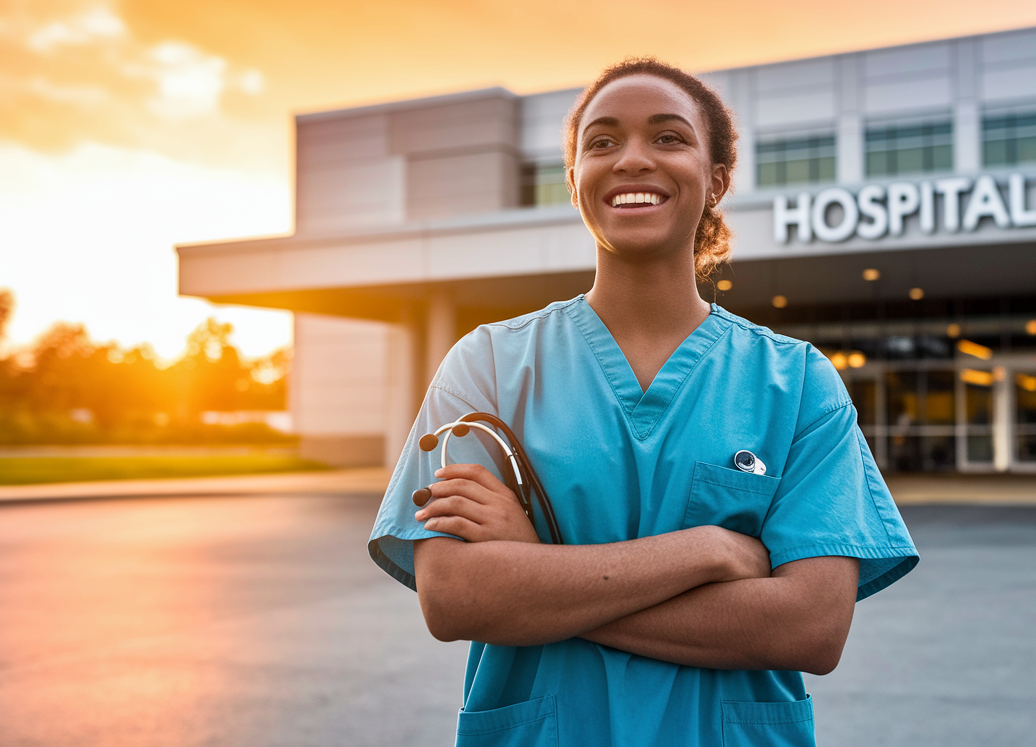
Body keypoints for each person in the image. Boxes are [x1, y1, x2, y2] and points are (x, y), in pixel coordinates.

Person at [368, 57, 919, 746]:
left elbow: (811, 627)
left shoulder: (798, 381)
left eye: (668, 137)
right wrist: (709, 551)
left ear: (716, 179)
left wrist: (535, 568)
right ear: (574, 182)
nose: (631, 159)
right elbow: (455, 598)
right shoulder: (486, 366)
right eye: (601, 142)